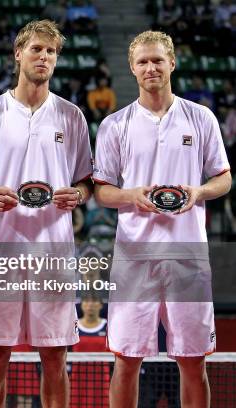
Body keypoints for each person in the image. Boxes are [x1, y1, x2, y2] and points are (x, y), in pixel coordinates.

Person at [0, 19, 93, 407]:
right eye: (36, 49)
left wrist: (77, 195)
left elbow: (88, 182)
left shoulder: (72, 116)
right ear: (18, 54)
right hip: (2, 250)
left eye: (51, 51)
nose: (44, 57)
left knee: (54, 355)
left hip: (53, 252)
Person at [93, 30, 231, 408]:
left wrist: (199, 192)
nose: (150, 67)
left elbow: (224, 178)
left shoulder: (200, 118)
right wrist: (130, 195)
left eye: (157, 60)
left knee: (192, 360)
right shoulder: (114, 126)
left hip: (187, 255)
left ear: (172, 62)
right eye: (142, 62)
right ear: (132, 68)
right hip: (134, 257)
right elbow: (101, 190)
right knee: (126, 359)